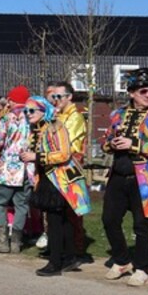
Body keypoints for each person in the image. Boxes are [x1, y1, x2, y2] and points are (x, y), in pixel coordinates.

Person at [101, 67, 148, 287]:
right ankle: (122, 260)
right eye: (143, 91)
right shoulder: (117, 114)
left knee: (142, 224)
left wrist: (134, 144)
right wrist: (111, 143)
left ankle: (142, 267)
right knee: (109, 220)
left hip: (146, 178)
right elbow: (105, 140)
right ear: (131, 93)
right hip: (118, 173)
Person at [20, 96, 92, 277]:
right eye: (26, 111)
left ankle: (55, 262)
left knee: (55, 221)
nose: (28, 114)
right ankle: (69, 257)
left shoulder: (55, 127)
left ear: (44, 111)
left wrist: (37, 157)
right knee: (61, 220)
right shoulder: (36, 130)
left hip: (60, 179)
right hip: (47, 177)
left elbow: (64, 154)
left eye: (32, 110)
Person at [0, 86, 33, 253]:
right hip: (26, 168)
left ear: (12, 100)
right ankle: (17, 243)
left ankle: (2, 241)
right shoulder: (33, 118)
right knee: (21, 205)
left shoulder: (6, 119)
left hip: (7, 169)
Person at [45, 81, 88, 258]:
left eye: (58, 96)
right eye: (53, 97)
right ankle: (58, 246)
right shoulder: (59, 115)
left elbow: (64, 142)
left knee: (72, 210)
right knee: (56, 211)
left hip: (69, 168)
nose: (55, 100)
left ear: (69, 97)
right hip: (56, 167)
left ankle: (74, 250)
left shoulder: (75, 117)